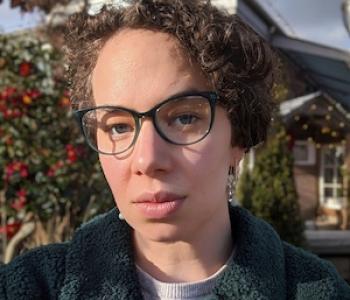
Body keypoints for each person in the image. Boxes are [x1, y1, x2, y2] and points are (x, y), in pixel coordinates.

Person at [1, 0, 349, 299]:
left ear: (239, 138)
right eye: (119, 126)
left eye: (184, 118)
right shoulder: (32, 285)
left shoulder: (313, 289)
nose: (148, 159)